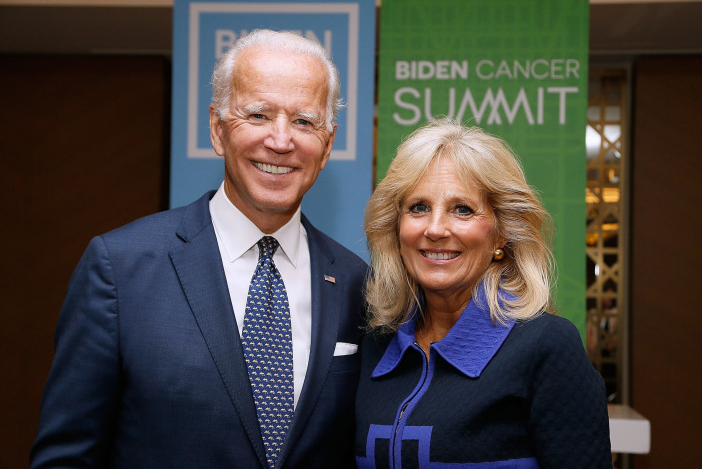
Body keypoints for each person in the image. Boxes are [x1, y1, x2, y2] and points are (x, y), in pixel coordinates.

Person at [31, 29, 368, 468]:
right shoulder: (120, 268)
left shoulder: (355, 282)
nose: (281, 141)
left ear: (326, 146)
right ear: (217, 128)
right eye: (259, 115)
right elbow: (66, 456)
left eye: (304, 121)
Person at [355, 120, 611, 468]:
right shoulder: (378, 343)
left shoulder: (546, 347)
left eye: (462, 209)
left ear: (502, 233)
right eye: (418, 207)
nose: (435, 228)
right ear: (396, 229)